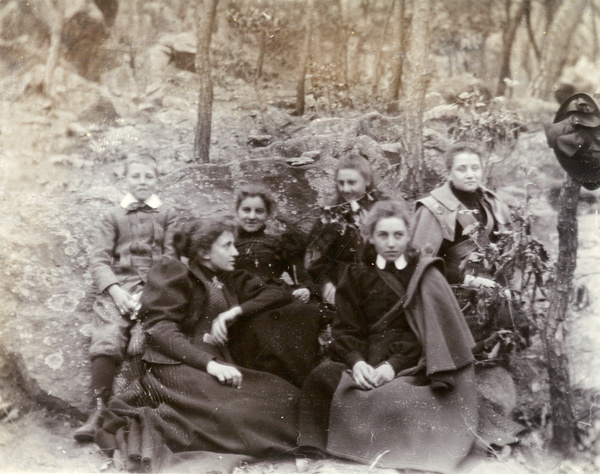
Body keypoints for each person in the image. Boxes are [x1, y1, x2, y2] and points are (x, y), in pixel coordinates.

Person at [94, 219, 301, 472]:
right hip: (176, 369)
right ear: (204, 252)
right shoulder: (175, 271)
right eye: (227, 246)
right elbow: (160, 330)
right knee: (240, 415)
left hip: (215, 367)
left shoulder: (228, 278)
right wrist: (210, 364)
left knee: (284, 397)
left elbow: (279, 293)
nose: (236, 252)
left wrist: (234, 311)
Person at [298, 200, 478, 473]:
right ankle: (311, 450)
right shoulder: (356, 274)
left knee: (400, 396)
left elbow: (427, 332)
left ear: (408, 236)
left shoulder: (422, 273)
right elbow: (346, 328)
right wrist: (357, 362)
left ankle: (384, 452)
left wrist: (391, 367)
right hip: (364, 357)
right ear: (370, 236)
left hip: (409, 360)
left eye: (398, 235)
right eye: (383, 235)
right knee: (320, 378)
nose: (391, 243)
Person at [73, 154, 177, 442]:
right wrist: (116, 291)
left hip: (156, 289)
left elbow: (172, 258)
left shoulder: (168, 214)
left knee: (146, 338)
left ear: (157, 180)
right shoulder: (113, 216)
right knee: (107, 334)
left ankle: (136, 412)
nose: (142, 182)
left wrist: (151, 292)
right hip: (119, 288)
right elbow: (99, 260)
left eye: (148, 176)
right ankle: (99, 410)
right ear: (126, 179)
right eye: (136, 176)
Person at [410, 142, 514, 351]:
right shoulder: (432, 208)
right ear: (448, 173)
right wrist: (467, 279)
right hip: (454, 300)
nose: (470, 175)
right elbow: (421, 265)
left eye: (475, 168)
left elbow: (506, 249)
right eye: (461, 169)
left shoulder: (491, 202)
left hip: (495, 294)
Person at [229, 183, 323, 387]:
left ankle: (296, 381)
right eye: (246, 210)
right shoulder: (229, 244)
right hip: (241, 297)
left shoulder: (278, 243)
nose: (252, 216)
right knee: (258, 324)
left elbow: (302, 277)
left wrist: (305, 289)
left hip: (273, 295)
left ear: (268, 215)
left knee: (302, 313)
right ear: (236, 211)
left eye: (259, 211)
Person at [305, 152, 383, 304]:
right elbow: (313, 259)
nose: (346, 189)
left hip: (379, 280)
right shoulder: (332, 214)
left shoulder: (384, 208)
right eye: (341, 183)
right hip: (342, 285)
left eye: (352, 182)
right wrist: (328, 288)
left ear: (367, 181)